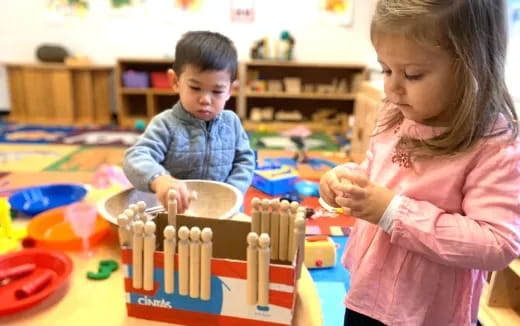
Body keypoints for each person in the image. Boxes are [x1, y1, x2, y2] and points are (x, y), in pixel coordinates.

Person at [319, 1, 520, 325]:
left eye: (412, 74)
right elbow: (376, 172)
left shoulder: (492, 146)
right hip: (367, 291)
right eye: (386, 69)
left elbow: (498, 242)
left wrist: (393, 212)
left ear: (471, 68)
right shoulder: (395, 115)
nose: (392, 87)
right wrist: (347, 180)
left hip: (429, 312)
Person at [124, 31, 255, 213]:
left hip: (224, 210)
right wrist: (159, 179)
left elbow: (245, 161)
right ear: (175, 81)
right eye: (195, 88)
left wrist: (231, 192)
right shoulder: (165, 124)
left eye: (217, 91)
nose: (205, 100)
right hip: (177, 214)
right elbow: (135, 157)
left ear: (230, 90)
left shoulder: (231, 122)